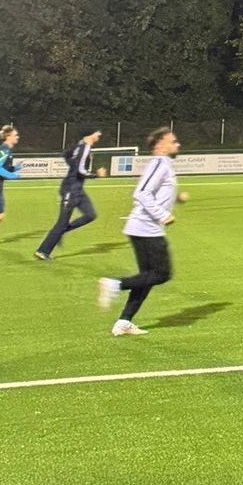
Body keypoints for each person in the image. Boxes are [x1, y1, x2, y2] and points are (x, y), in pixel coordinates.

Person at [97, 127, 182, 337]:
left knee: (147, 277)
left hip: (143, 228)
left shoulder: (164, 164)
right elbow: (142, 192)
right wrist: (162, 215)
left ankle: (124, 321)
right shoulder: (160, 163)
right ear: (160, 144)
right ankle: (115, 285)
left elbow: (156, 193)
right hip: (146, 228)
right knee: (162, 274)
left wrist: (175, 199)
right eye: (173, 141)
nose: (177, 144)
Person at [34, 127, 105, 261]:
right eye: (97, 134)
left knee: (91, 215)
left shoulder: (79, 146)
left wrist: (72, 165)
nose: (98, 137)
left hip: (78, 190)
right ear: (90, 135)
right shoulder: (84, 148)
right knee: (61, 223)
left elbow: (66, 155)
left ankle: (61, 231)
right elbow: (80, 171)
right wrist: (96, 174)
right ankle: (42, 251)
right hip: (70, 189)